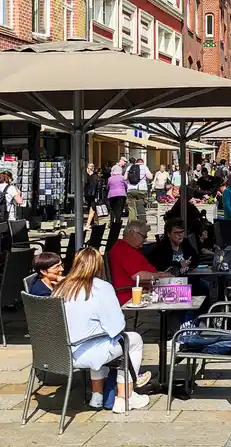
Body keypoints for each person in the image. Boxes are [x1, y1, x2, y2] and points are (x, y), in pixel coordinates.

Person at [54, 247, 149, 412]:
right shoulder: (101, 287)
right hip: (89, 352)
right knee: (133, 340)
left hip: (61, 353)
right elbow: (117, 326)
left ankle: (97, 395)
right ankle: (125, 397)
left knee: (97, 336)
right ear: (99, 266)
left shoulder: (60, 287)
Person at [107, 220, 171, 303]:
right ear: (132, 233)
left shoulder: (131, 248)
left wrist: (161, 274)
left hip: (142, 291)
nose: (145, 239)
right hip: (132, 296)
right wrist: (160, 275)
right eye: (144, 236)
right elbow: (138, 276)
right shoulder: (123, 250)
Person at [84, 163, 100, 228]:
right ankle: (93, 223)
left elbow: (98, 187)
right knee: (90, 209)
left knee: (92, 209)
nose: (86, 169)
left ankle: (88, 225)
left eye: (88, 168)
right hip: (87, 194)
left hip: (93, 195)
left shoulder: (95, 176)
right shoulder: (85, 176)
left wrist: (97, 196)